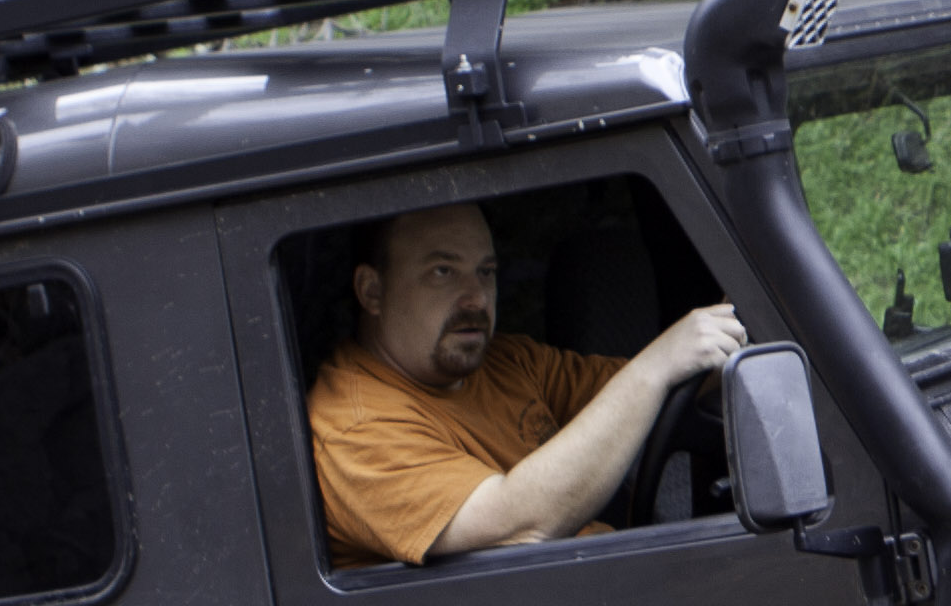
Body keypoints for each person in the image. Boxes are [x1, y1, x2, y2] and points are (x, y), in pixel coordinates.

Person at [308, 199, 751, 568]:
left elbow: (648, 397)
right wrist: (657, 365)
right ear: (372, 291)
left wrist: (738, 326)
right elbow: (520, 528)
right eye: (443, 271)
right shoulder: (353, 428)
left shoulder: (505, 361)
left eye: (486, 272)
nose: (476, 298)